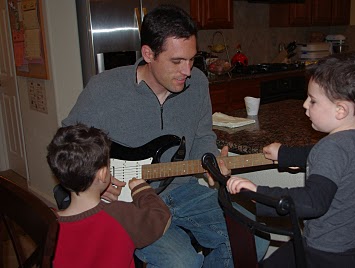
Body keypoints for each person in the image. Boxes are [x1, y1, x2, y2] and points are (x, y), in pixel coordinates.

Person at [61, 4, 267, 268]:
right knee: (182, 262)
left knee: (253, 239)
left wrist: (212, 159)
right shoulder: (104, 89)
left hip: (183, 191)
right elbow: (67, 146)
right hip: (129, 199)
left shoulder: (199, 84)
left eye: (192, 59)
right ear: (148, 54)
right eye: (177, 61)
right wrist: (92, 181)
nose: (188, 71)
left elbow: (202, 135)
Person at [226, 52, 355, 268]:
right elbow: (322, 155)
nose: (305, 105)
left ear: (340, 110)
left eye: (313, 100)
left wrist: (258, 194)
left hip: (329, 253)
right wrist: (286, 155)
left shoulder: (332, 147)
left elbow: (312, 202)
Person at [47, 124, 171, 268]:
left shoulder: (51, 223)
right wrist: (142, 190)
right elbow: (161, 218)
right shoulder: (119, 214)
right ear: (103, 173)